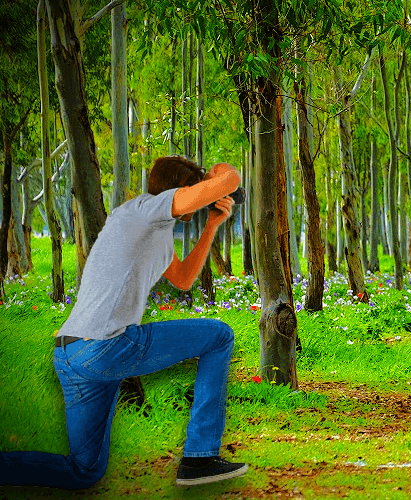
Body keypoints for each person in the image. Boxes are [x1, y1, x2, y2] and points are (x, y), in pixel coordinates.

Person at [0, 156, 247, 489]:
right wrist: (221, 173)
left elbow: (184, 278)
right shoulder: (148, 209)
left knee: (84, 471)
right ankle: (200, 457)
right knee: (219, 335)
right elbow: (227, 182)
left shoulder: (150, 226)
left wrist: (212, 225)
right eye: (197, 192)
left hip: (71, 355)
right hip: (106, 347)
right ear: (181, 191)